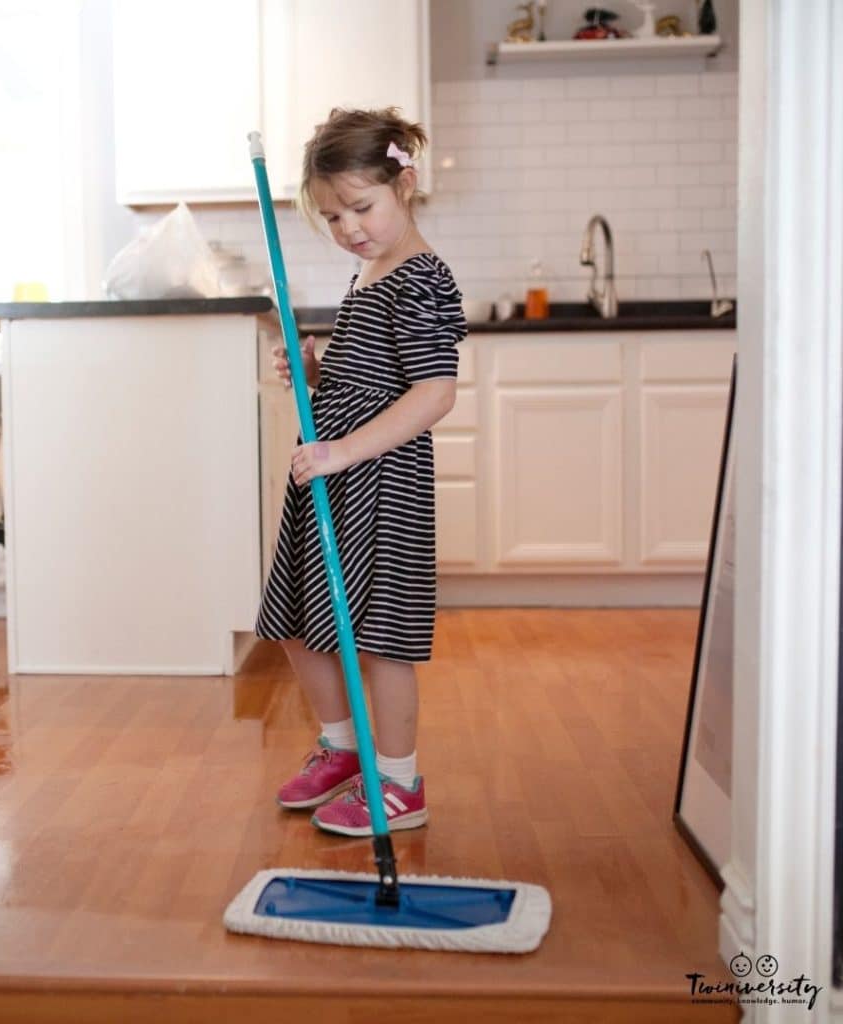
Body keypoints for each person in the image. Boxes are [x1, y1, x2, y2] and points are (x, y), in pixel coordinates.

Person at [255, 107, 467, 837]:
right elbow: (372, 376)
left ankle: (400, 782)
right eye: (332, 216)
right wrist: (314, 367)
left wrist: (342, 450)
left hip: (379, 483)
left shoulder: (421, 278)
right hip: (331, 479)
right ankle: (344, 751)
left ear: (403, 182)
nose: (349, 228)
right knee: (296, 623)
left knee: (377, 639)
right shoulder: (371, 269)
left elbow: (434, 392)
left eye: (361, 207)